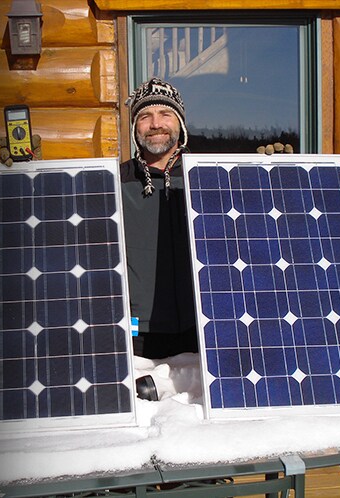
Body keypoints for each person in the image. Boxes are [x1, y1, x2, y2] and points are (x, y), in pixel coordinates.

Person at [121, 77, 198, 359]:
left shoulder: (206, 179)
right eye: (145, 116)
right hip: (138, 336)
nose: (156, 124)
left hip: (203, 329)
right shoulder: (115, 183)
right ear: (134, 127)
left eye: (165, 114)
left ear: (179, 123)